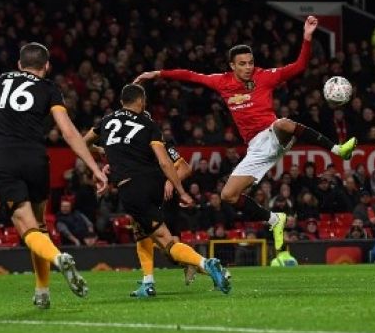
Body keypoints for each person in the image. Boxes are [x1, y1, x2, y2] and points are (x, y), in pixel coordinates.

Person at [134, 16, 357, 253]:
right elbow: (190, 75)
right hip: (257, 148)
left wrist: (307, 37)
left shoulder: (265, 76)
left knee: (282, 123)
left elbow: (299, 67)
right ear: (232, 65)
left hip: (274, 134)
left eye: (251, 62)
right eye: (243, 63)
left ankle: (338, 149)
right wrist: (157, 73)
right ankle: (275, 220)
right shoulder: (222, 82)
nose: (249, 67)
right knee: (228, 195)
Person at [0, 42, 108, 309]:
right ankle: (42, 292)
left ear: (19, 64)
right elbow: (69, 132)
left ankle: (58, 259)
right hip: (36, 158)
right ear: (46, 66)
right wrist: (95, 169)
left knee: (27, 228)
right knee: (40, 225)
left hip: (3, 157)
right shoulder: (50, 89)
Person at [82, 83, 230, 297]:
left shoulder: (108, 121)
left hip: (136, 188)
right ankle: (148, 282)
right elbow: (161, 161)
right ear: (141, 102)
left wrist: (103, 151)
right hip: (152, 185)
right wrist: (180, 190)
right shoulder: (148, 125)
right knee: (140, 231)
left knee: (165, 241)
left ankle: (205, 264)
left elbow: (82, 143)